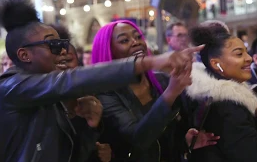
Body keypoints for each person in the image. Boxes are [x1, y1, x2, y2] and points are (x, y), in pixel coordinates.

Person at [0, 0, 203, 162]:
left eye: (63, 45)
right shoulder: (11, 84)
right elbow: (72, 80)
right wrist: (150, 62)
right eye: (53, 46)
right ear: (24, 55)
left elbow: (72, 153)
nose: (62, 53)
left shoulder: (52, 94)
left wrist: (90, 128)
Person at [91, 20, 218, 162]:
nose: (136, 42)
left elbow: (170, 133)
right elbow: (138, 139)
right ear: (109, 51)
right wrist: (170, 92)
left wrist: (186, 140)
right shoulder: (105, 94)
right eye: (124, 40)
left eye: (138, 37)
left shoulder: (162, 80)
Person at [184, 26, 257, 162]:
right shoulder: (228, 106)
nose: (249, 58)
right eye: (239, 54)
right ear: (216, 64)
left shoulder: (216, 96)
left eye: (246, 52)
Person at [51, 24, 112, 162]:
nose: (62, 65)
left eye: (67, 60)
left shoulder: (91, 101)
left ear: (78, 64)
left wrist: (105, 154)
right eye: (56, 61)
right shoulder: (41, 107)